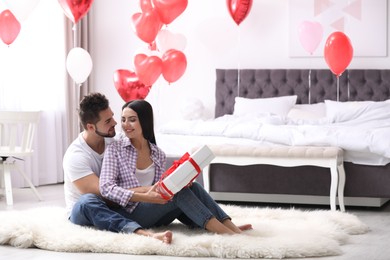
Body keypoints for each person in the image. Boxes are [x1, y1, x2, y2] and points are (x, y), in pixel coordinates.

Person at [99, 99, 252, 241]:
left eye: (132, 120)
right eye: (123, 120)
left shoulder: (158, 153)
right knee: (178, 192)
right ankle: (228, 234)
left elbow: (161, 186)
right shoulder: (115, 149)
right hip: (131, 213)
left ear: (145, 121)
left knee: (193, 187)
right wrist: (145, 194)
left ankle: (231, 228)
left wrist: (180, 181)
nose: (126, 125)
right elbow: (106, 188)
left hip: (156, 212)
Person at [63, 92, 172, 244]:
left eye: (113, 116)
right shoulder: (76, 156)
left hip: (118, 205)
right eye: (108, 121)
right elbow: (105, 193)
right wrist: (148, 190)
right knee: (88, 201)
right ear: (91, 127)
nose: (115, 123)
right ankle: (142, 233)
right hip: (87, 211)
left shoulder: (116, 139)